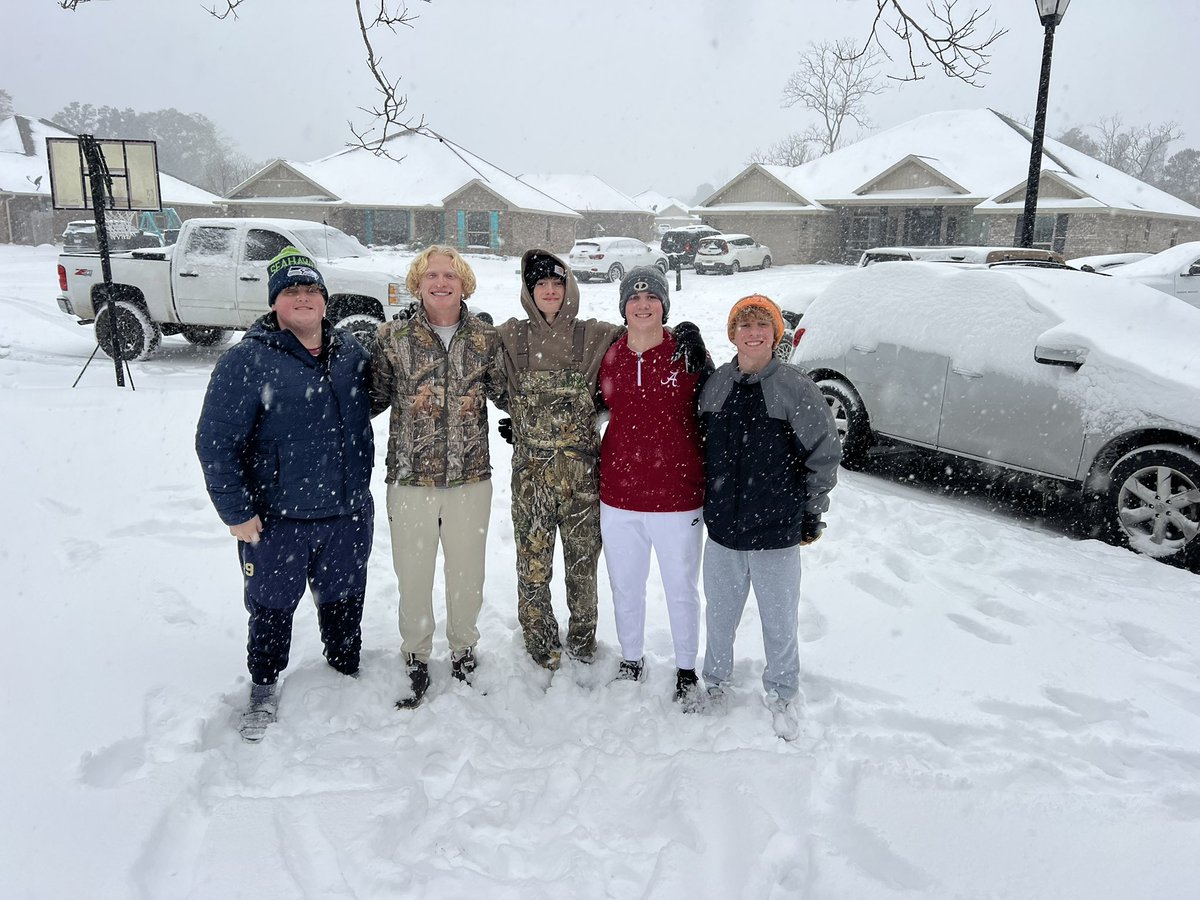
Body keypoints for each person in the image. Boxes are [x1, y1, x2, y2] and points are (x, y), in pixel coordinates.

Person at [196, 246, 375, 743]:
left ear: (324, 299)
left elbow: (365, 412)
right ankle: (264, 686)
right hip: (277, 521)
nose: (303, 298)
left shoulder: (351, 355)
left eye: (311, 289)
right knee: (272, 606)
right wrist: (236, 512)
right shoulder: (246, 362)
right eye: (291, 291)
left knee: (344, 599)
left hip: (346, 512)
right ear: (275, 302)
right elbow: (215, 442)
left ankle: (345, 671)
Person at [698, 294, 841, 741]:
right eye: (745, 325)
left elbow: (823, 453)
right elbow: (702, 448)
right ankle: (715, 684)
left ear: (775, 335)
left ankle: (782, 692)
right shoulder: (717, 385)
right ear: (733, 334)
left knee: (779, 619)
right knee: (719, 616)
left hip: (776, 533)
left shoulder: (797, 388)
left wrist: (812, 510)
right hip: (723, 531)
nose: (753, 333)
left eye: (763, 325)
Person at [370, 246, 506, 709]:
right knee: (413, 574)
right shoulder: (392, 338)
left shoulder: (487, 339)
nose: (441, 282)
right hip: (411, 480)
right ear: (418, 283)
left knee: (468, 574)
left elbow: (510, 392)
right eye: (431, 275)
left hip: (471, 478)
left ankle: (464, 649)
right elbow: (368, 397)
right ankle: (416, 655)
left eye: (450, 274)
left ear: (464, 283)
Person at [494, 249, 623, 670]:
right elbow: (474, 359)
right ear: (529, 292)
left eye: (557, 283)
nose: (549, 291)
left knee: (582, 565)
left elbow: (646, 332)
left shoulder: (594, 334)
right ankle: (539, 640)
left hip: (583, 476)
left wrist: (687, 332)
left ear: (569, 288)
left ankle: (584, 641)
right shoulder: (510, 336)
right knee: (532, 564)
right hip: (530, 477)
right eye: (540, 284)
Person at [597, 266, 711, 708]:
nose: (643, 305)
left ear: (664, 304)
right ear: (623, 307)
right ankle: (631, 660)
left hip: (678, 496)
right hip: (619, 494)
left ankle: (686, 670)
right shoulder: (610, 356)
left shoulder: (685, 353)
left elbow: (720, 399)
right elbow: (592, 407)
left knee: (681, 587)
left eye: (652, 298)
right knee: (626, 584)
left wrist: (700, 345)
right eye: (634, 298)